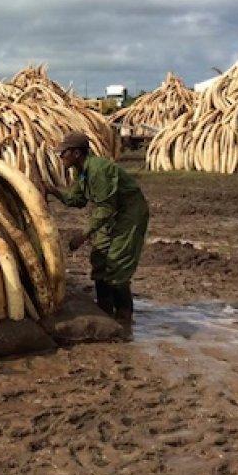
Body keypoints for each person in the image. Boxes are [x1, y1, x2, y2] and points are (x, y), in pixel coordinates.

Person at [50, 132, 150, 328]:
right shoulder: (82, 171)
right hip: (110, 215)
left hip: (128, 216)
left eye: (64, 153)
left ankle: (124, 315)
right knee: (100, 258)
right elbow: (77, 200)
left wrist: (83, 235)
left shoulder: (98, 170)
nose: (61, 157)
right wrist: (54, 192)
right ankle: (105, 309)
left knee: (117, 263)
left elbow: (106, 207)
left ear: (76, 153)